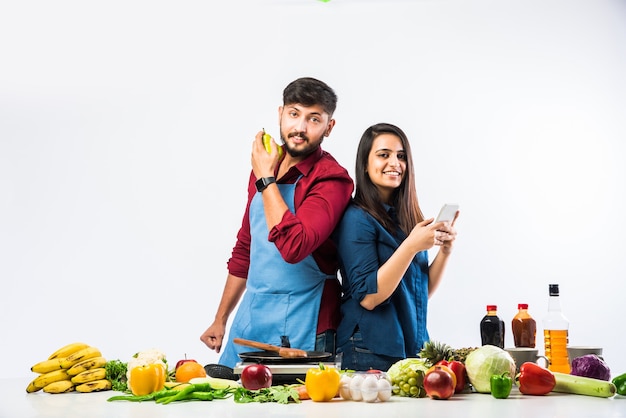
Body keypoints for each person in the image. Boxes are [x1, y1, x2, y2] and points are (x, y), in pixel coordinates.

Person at [200, 77, 354, 368]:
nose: (300, 127)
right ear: (280, 114)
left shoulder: (331, 179)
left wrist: (266, 179)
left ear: (329, 127)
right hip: (251, 320)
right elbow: (247, 247)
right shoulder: (266, 165)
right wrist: (220, 319)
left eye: (313, 119)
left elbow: (295, 247)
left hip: (304, 324)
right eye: (294, 114)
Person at [333, 122, 459, 372]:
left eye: (401, 156)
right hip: (368, 348)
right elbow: (369, 298)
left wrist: (445, 251)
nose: (395, 163)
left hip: (411, 345)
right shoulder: (356, 218)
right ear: (365, 166)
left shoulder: (407, 218)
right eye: (383, 155)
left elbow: (419, 292)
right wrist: (410, 246)